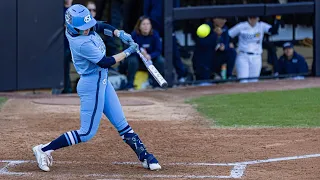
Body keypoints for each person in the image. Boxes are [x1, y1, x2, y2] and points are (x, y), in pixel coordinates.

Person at [32, 4, 161, 172]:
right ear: (73, 27)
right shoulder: (80, 43)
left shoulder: (81, 28)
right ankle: (43, 149)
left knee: (121, 123)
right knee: (86, 133)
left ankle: (145, 156)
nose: (87, 29)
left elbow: (100, 26)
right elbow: (105, 62)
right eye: (83, 28)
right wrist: (129, 51)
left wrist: (119, 33)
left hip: (102, 81)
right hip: (91, 84)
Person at [144, 0, 188, 83]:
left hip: (169, 24)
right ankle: (154, 78)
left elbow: (176, 8)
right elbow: (146, 10)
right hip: (154, 25)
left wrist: (174, 24)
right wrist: (149, 25)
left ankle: (181, 75)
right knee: (154, 52)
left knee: (173, 50)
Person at [228, 16, 281, 83]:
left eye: (254, 18)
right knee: (243, 81)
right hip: (243, 55)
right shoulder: (241, 26)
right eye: (251, 18)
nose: (252, 20)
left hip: (256, 56)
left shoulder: (261, 25)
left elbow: (273, 31)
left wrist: (278, 18)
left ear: (258, 18)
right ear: (248, 18)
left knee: (254, 81)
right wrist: (231, 43)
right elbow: (228, 34)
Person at [119, 16, 164, 89]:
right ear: (139, 26)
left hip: (149, 59)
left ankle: (156, 84)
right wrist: (141, 55)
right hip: (137, 59)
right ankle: (130, 84)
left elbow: (158, 50)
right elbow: (130, 49)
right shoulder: (134, 35)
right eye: (143, 24)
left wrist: (150, 56)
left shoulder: (155, 34)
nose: (146, 26)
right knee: (132, 61)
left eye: (148, 24)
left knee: (161, 61)